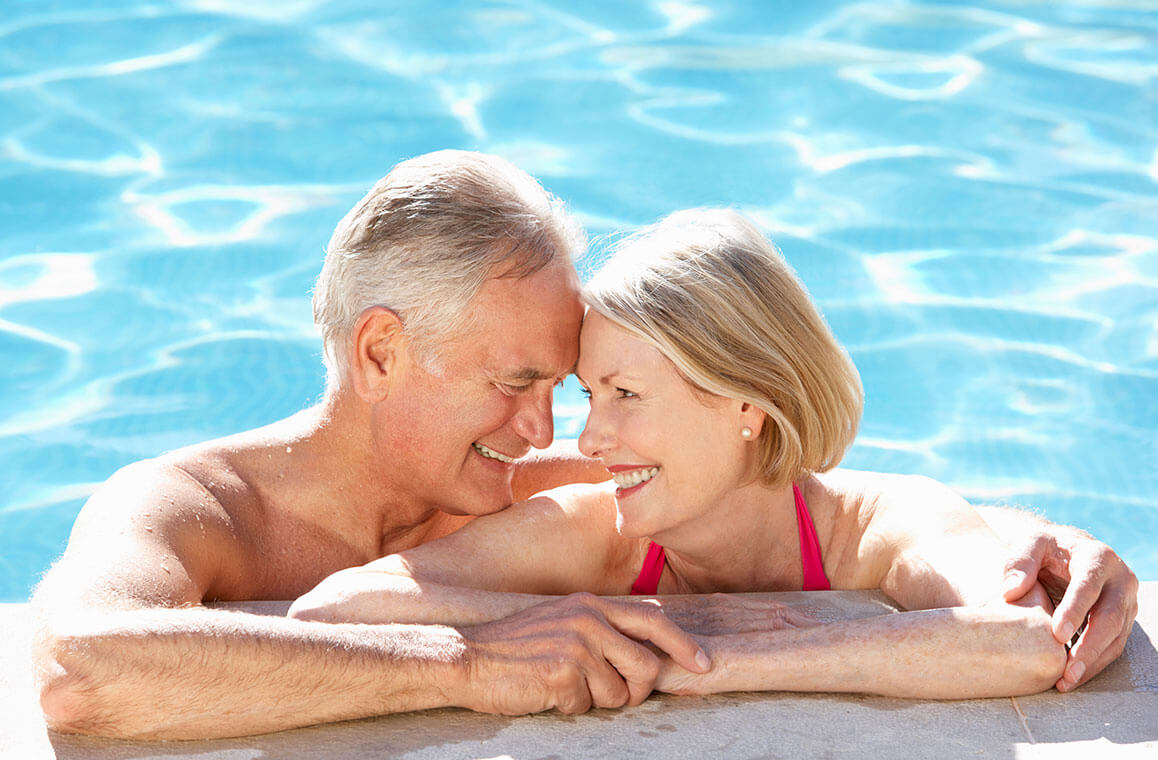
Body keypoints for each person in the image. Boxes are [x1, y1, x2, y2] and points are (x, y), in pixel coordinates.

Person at [29, 153, 1137, 739]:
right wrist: (468, 670)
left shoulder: (555, 487)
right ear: (378, 354)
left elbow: (785, 486)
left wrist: (1027, 535)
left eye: (566, 388)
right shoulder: (190, 507)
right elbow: (80, 666)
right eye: (519, 383)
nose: (552, 430)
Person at [289, 208, 1139, 700]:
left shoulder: (882, 524)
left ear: (745, 404)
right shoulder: (597, 532)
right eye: (592, 395)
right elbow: (337, 610)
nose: (586, 440)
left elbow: (1029, 642)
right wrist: (620, 626)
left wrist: (728, 659)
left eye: (625, 395)